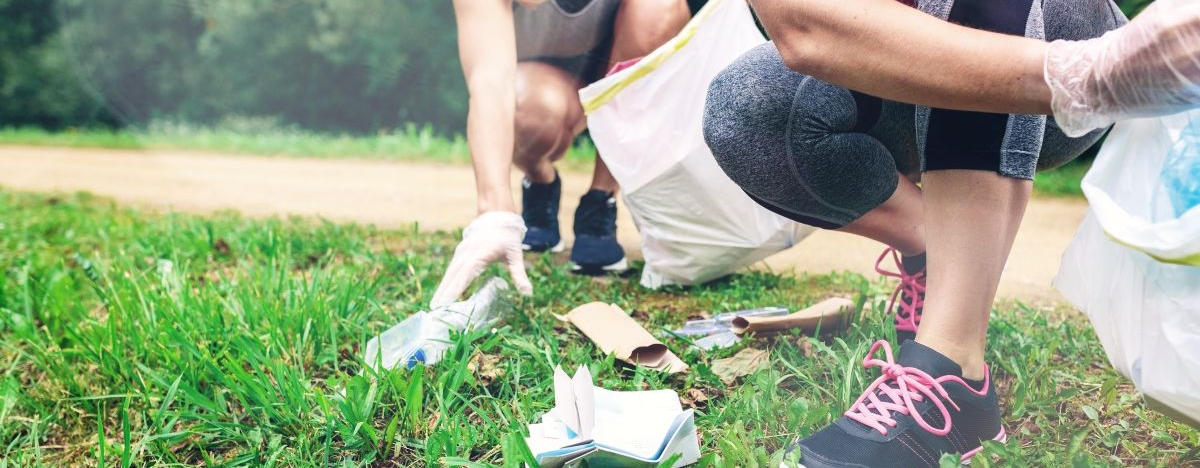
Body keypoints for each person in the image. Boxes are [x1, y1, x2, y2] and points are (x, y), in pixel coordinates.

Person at [702, 0, 1200, 466]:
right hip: (912, 59)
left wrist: (1092, 70)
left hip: (1061, 33)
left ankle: (953, 365)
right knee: (745, 111)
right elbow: (806, 28)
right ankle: (934, 254)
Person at [431, 0, 691, 308]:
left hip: (619, 66)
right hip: (543, 82)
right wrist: (493, 213)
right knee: (530, 120)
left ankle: (600, 201)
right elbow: (489, 79)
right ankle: (541, 181)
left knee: (660, 8)